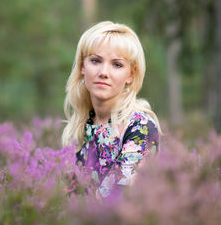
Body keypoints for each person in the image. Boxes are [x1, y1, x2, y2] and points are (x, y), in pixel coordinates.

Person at [62, 21, 161, 198]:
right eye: (95, 61)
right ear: (82, 66)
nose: (104, 72)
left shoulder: (141, 128)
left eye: (117, 64)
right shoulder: (77, 130)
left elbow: (114, 198)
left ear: (131, 75)